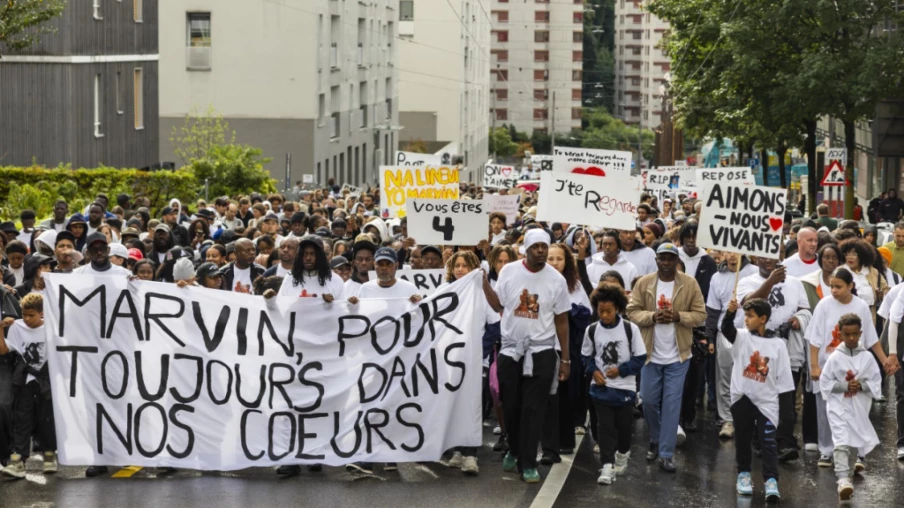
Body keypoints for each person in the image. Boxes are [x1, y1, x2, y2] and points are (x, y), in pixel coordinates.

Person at [483, 229, 570, 484]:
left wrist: (565, 359)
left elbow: (562, 320)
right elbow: (498, 306)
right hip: (511, 351)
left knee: (534, 408)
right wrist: (483, 283)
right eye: (537, 247)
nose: (541, 251)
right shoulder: (509, 271)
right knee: (511, 405)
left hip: (542, 351)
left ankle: (528, 462)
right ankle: (513, 447)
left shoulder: (556, 280)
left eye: (545, 246)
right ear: (527, 249)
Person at [626, 242, 706, 473]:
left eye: (671, 258)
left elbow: (701, 314)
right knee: (649, 401)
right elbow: (632, 312)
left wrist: (679, 316)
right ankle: (656, 437)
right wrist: (652, 316)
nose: (666, 262)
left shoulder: (689, 284)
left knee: (672, 405)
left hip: (679, 356)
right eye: (663, 258)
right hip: (650, 354)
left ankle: (665, 453)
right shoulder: (644, 283)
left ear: (676, 261)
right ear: (657, 260)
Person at [806, 268, 893, 468]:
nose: (834, 291)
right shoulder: (824, 305)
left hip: (855, 365)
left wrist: (884, 360)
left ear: (850, 286)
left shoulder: (860, 305)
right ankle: (827, 451)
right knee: (827, 409)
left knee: (857, 408)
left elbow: (870, 337)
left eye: (838, 287)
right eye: (831, 286)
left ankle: (857, 453)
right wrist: (814, 365)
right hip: (829, 364)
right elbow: (814, 337)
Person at [720, 298, 793, 502]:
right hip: (742, 398)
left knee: (768, 442)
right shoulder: (741, 337)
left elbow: (785, 380)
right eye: (745, 315)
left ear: (763, 319)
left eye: (750, 316)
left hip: (767, 402)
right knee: (743, 438)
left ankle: (771, 480)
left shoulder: (778, 344)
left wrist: (787, 413)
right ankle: (743, 474)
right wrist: (729, 314)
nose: (746, 320)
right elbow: (726, 329)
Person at [442, 250, 502, 476]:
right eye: (456, 265)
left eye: (465, 265)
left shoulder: (482, 294)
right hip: (450, 362)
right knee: (454, 404)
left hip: (477, 361)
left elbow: (494, 327)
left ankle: (471, 455)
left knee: (473, 405)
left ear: (474, 268)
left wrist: (478, 350)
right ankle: (456, 449)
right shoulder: (445, 292)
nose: (460, 269)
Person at [581, 284, 645, 485]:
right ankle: (607, 466)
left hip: (625, 388)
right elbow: (586, 356)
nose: (605, 315)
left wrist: (622, 370)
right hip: (601, 389)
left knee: (623, 428)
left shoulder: (629, 329)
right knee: (604, 427)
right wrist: (594, 371)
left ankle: (623, 453)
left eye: (609, 311)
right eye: (601, 311)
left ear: (618, 308)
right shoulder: (591, 330)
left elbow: (641, 357)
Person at [819, 313, 882, 501]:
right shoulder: (835, 358)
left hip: (859, 406)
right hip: (839, 405)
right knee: (841, 439)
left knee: (854, 438)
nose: (852, 338)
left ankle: (852, 465)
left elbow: (876, 382)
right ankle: (843, 479)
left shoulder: (868, 358)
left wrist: (861, 385)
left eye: (855, 334)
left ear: (860, 333)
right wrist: (844, 386)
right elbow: (825, 382)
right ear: (840, 335)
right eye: (847, 335)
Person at [541, 242, 592, 464]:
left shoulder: (575, 285)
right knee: (544, 397)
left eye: (559, 259)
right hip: (542, 344)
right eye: (550, 258)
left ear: (567, 261)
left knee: (564, 395)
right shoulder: (537, 281)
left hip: (567, 347)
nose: (554, 263)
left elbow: (585, 314)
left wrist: (566, 310)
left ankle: (564, 440)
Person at [0, 293, 56, 479]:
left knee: (46, 418)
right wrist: (1, 328)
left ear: (42, 313)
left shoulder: (52, 327)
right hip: (25, 380)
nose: (26, 318)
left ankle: (50, 454)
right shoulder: (17, 327)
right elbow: (4, 349)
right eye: (24, 314)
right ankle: (19, 460)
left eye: (31, 315)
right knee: (22, 418)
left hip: (47, 380)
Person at [704, 252, 758, 439]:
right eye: (728, 252)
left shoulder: (755, 273)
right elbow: (712, 310)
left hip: (750, 334)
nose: (732, 256)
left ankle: (749, 418)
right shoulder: (717, 278)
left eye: (736, 252)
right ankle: (727, 419)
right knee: (725, 377)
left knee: (750, 377)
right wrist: (710, 337)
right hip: (725, 334)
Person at [676, 221, 717, 432]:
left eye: (695, 237)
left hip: (697, 324)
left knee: (694, 373)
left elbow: (709, 291)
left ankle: (689, 414)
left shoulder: (707, 261)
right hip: (673, 322)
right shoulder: (672, 256)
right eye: (688, 236)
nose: (691, 241)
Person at [275, 235, 344, 301]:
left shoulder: (335, 281)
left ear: (320, 256)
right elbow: (281, 307)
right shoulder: (290, 278)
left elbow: (343, 309)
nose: (308, 258)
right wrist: (270, 300)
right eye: (305, 254)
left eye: (312, 254)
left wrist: (332, 304)